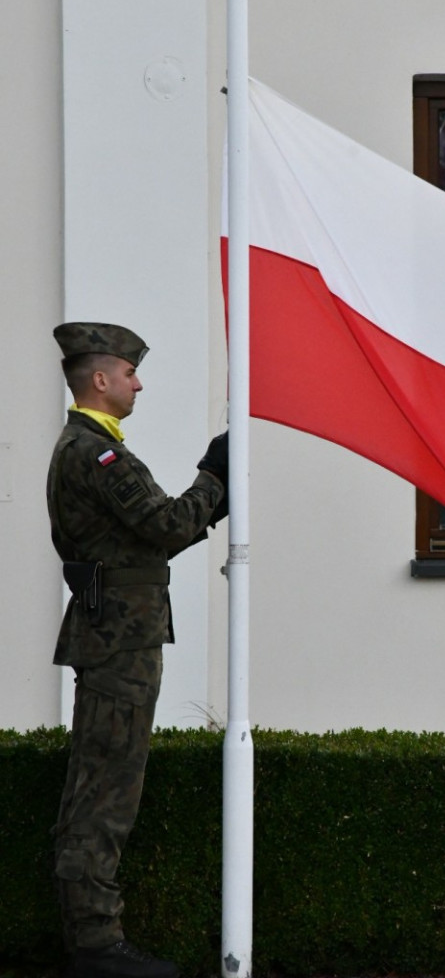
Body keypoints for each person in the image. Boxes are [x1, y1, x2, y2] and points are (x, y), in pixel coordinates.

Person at [47, 322, 229, 978]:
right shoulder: (95, 454)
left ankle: (93, 940)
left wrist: (211, 491)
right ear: (100, 379)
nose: (138, 382)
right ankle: (96, 946)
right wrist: (216, 477)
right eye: (129, 373)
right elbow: (167, 524)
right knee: (106, 790)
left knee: (104, 784)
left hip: (116, 637)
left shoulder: (89, 448)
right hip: (119, 640)